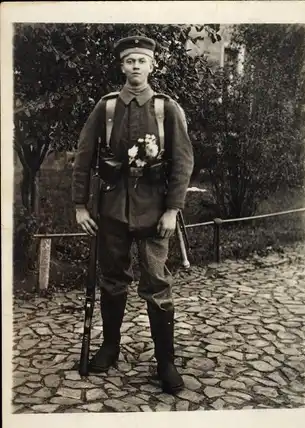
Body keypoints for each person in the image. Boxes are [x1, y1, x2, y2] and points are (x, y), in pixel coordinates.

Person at [72, 35, 194, 395]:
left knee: (157, 281)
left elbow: (183, 161)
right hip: (112, 209)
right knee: (113, 279)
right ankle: (110, 346)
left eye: (142, 60)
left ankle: (165, 361)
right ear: (122, 66)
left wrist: (173, 209)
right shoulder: (107, 107)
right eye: (130, 61)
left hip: (155, 211)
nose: (136, 67)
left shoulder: (165, 107)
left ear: (152, 65)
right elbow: (83, 156)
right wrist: (80, 205)